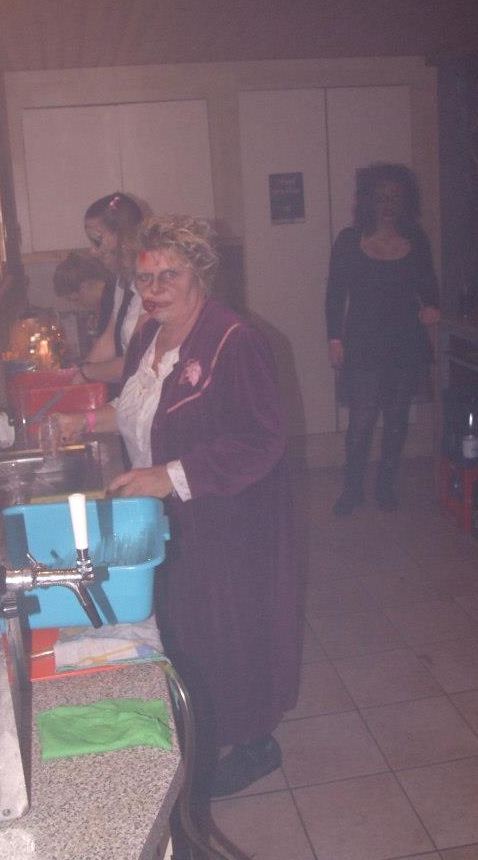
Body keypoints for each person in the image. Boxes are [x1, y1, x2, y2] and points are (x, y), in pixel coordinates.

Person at [56, 215, 301, 798]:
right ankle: (203, 726)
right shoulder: (149, 334)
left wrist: (166, 476)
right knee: (187, 627)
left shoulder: (235, 340)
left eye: (170, 274)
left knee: (230, 630)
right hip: (170, 516)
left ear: (200, 275)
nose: (155, 288)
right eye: (145, 277)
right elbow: (139, 408)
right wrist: (83, 421)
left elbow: (262, 440)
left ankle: (255, 743)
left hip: (230, 518)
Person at [326, 162, 440, 515]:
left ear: (406, 201)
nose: (388, 204)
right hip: (362, 342)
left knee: (396, 419)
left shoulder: (416, 240)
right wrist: (334, 339)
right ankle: (352, 489)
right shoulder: (349, 240)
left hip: (405, 342)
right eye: (380, 197)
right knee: (361, 421)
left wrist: (432, 308)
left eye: (395, 197)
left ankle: (385, 486)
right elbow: (334, 294)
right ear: (368, 200)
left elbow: (429, 287)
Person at [73, 192, 147, 385]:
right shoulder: (122, 280)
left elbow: (137, 363)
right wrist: (79, 375)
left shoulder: (152, 286)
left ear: (125, 237)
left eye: (97, 241)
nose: (92, 250)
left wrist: (87, 373)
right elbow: (109, 339)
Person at [52, 250, 114, 360]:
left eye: (76, 299)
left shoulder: (110, 302)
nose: (78, 305)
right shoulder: (104, 300)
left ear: (84, 286)